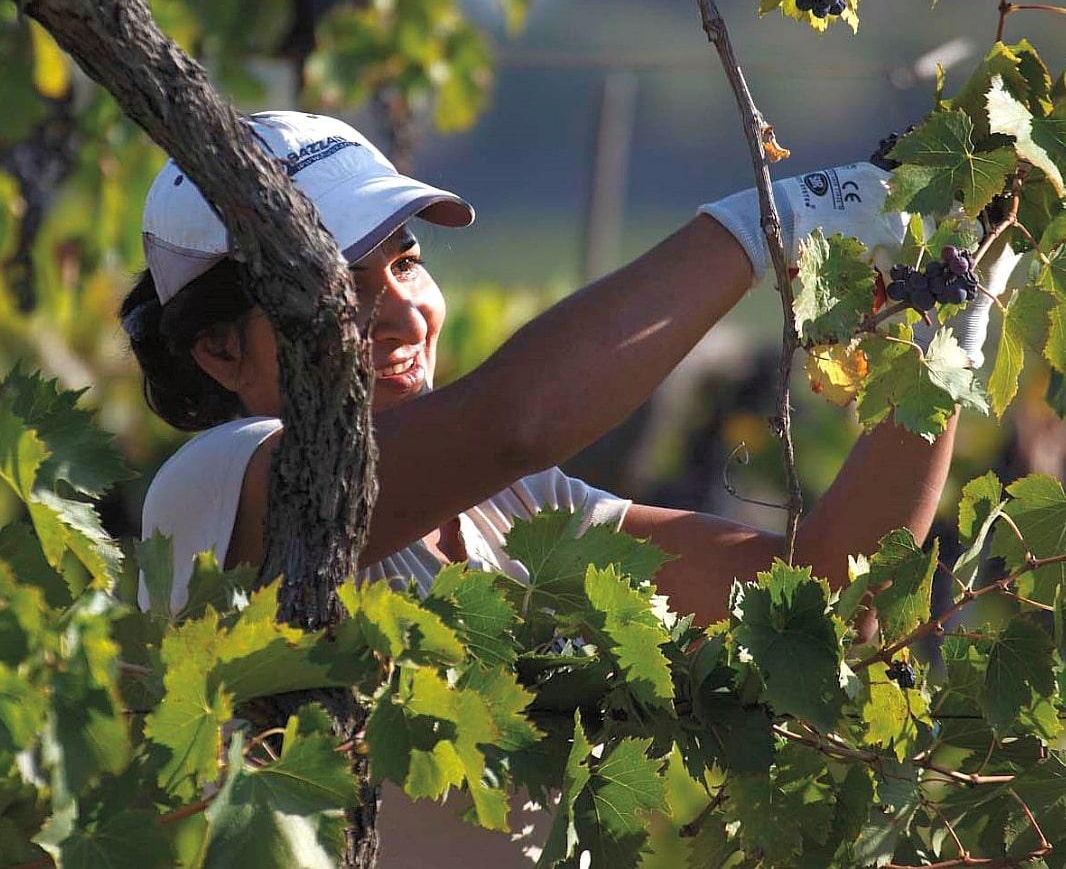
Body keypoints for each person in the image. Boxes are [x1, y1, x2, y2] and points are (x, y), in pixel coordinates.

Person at [122, 110, 1013, 866]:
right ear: (219, 350)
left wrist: (946, 339)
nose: (398, 314)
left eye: (403, 263)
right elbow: (520, 417)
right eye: (335, 289)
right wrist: (774, 218)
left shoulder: (518, 511)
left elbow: (823, 603)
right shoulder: (215, 487)